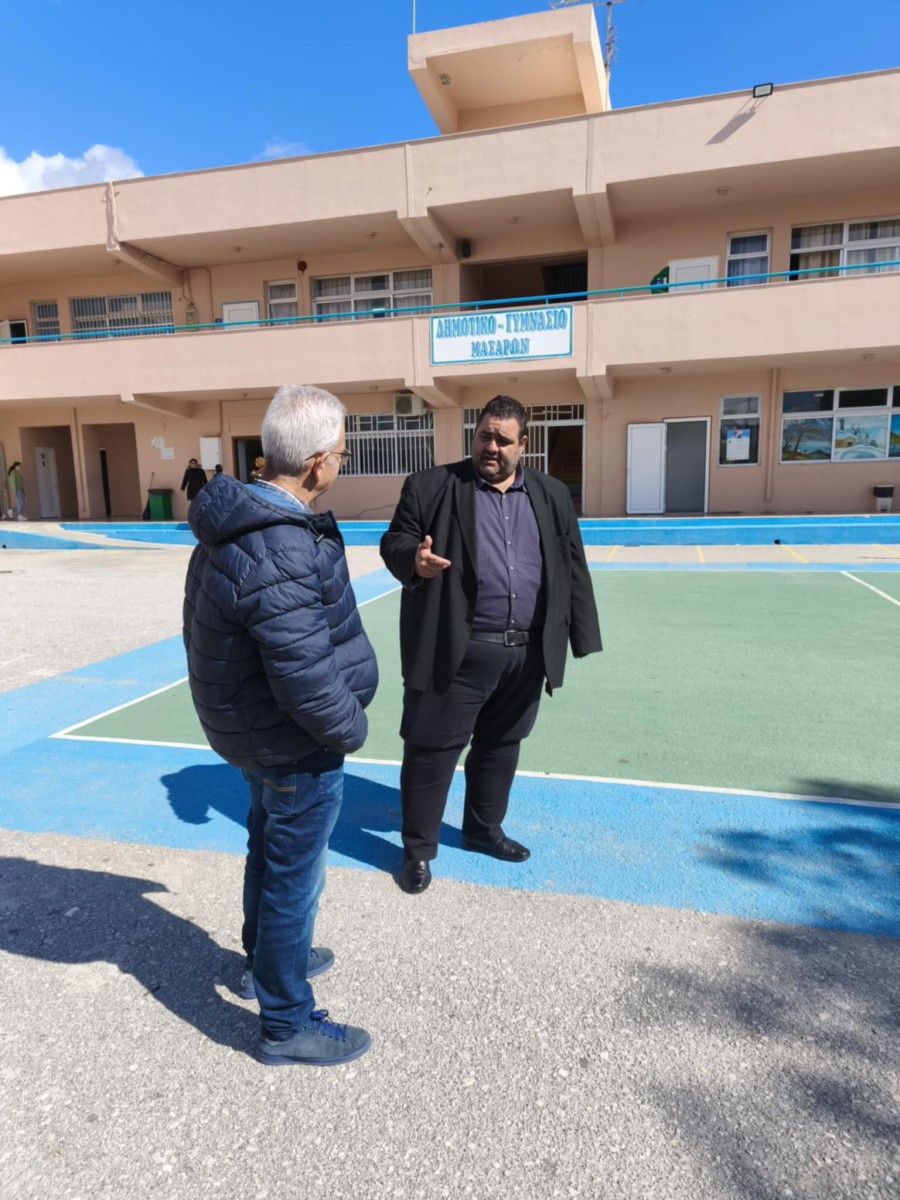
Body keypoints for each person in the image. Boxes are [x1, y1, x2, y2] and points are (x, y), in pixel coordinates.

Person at [184, 384, 377, 1065]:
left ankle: (264, 960)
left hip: (253, 731)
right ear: (319, 462)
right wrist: (350, 730)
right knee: (294, 879)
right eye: (342, 453)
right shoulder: (281, 543)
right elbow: (304, 674)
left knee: (267, 852)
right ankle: (286, 1023)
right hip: (295, 741)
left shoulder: (235, 521)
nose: (340, 463)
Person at [380, 395, 601, 894]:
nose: (492, 447)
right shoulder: (431, 486)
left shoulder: (551, 494)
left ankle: (482, 830)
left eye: (503, 439)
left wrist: (581, 634)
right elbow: (394, 541)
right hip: (455, 651)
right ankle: (418, 851)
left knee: (502, 744)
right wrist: (414, 560)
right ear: (474, 435)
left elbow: (571, 563)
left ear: (524, 444)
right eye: (484, 436)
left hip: (526, 653)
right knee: (432, 750)